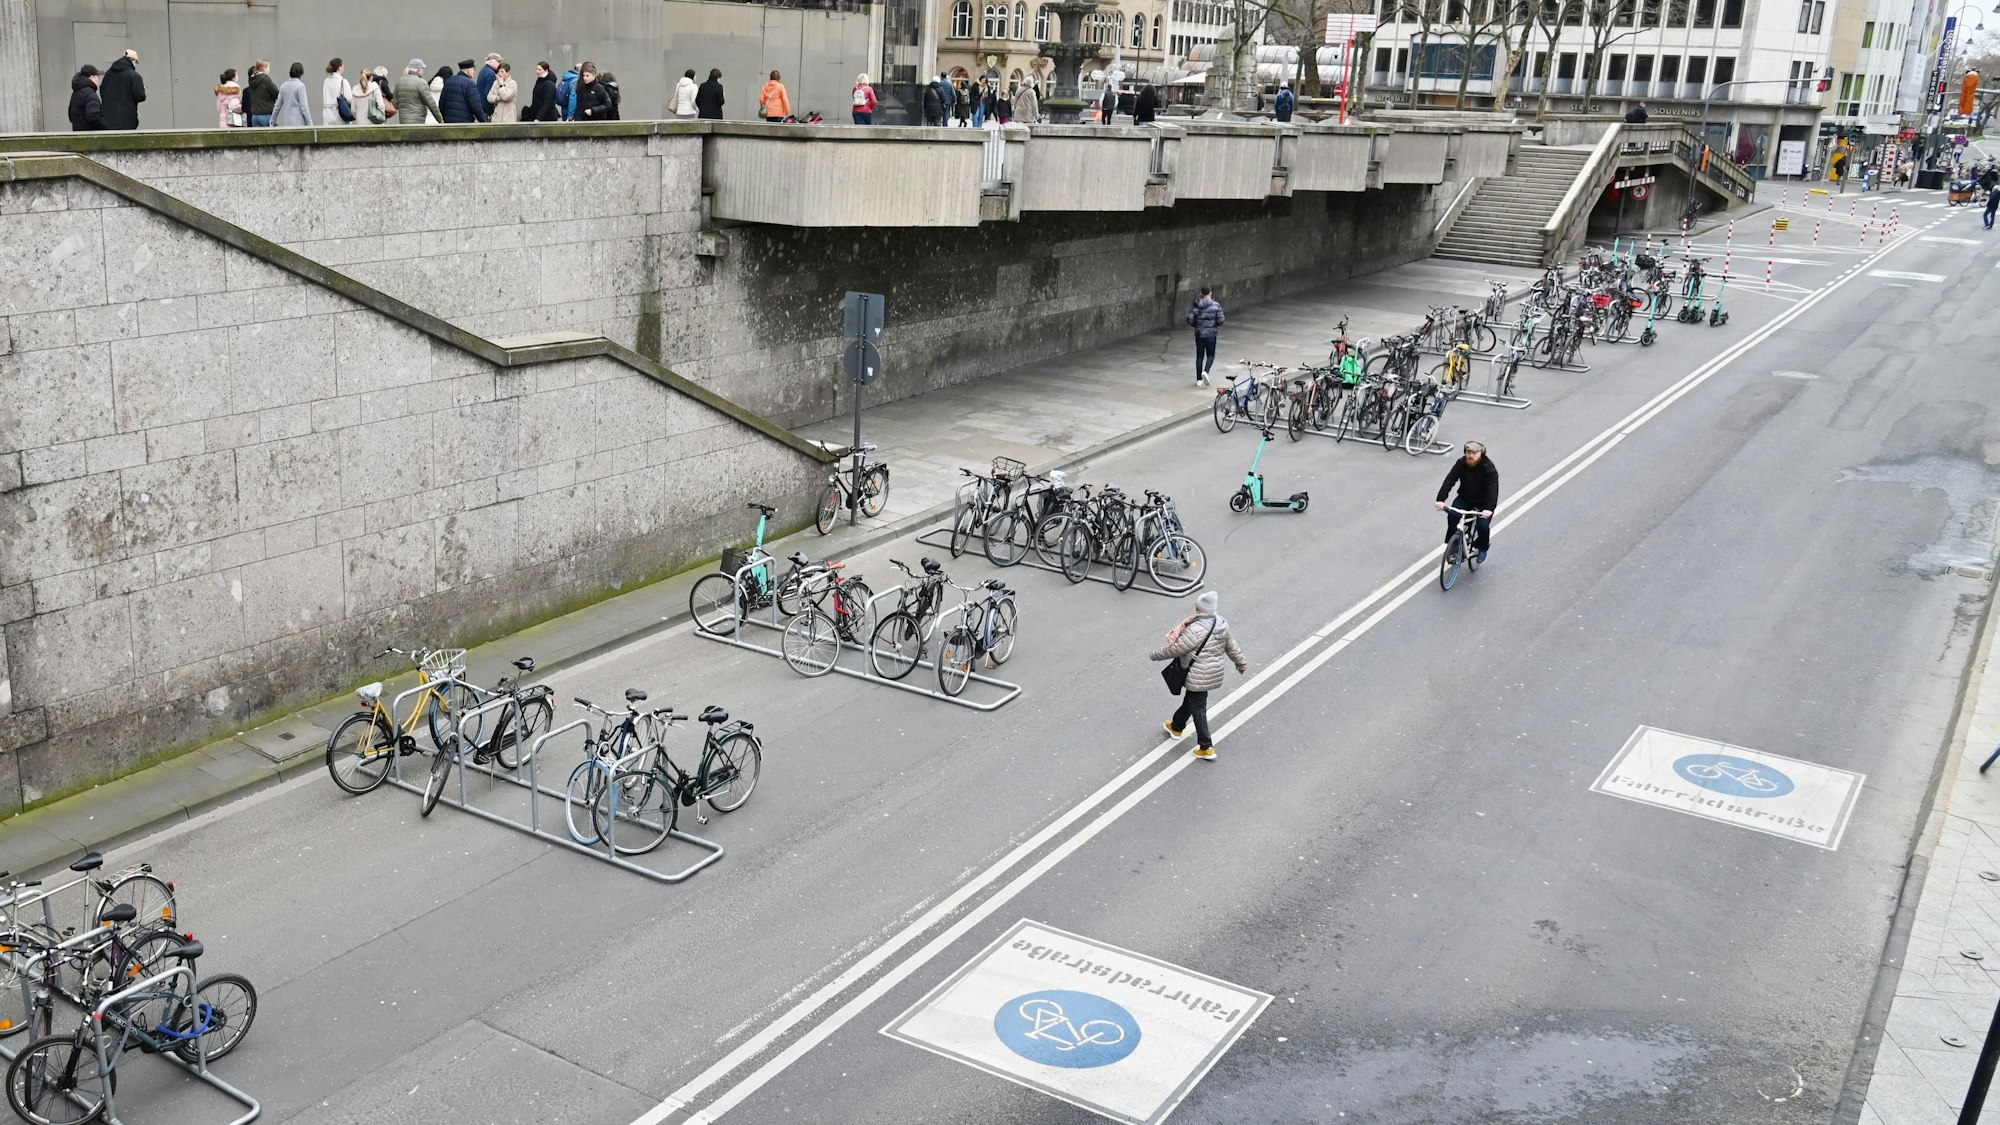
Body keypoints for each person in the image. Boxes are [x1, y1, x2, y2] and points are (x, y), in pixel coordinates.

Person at [1150, 591, 1247, 762]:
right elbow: (1231, 647)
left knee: (1198, 708)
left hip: (1197, 675)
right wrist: (1241, 663)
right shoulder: (1221, 623)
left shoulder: (1195, 629)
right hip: (1212, 673)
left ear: (1200, 609)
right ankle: (1177, 726)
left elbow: (1176, 649)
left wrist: (1156, 655)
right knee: (1193, 700)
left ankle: (1206, 746)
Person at [1434, 440, 1498, 563]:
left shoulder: (1488, 468)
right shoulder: (1461, 463)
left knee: (1482, 526)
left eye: (1474, 453)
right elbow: (1450, 480)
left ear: (1481, 454)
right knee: (1453, 516)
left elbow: (1493, 490)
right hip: (1465, 498)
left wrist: (1489, 509)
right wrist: (1440, 499)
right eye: (1468, 452)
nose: (1470, 455)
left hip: (1483, 503)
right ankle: (1453, 544)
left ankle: (1482, 548)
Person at [1186, 286, 1223, 385]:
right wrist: (1214, 325)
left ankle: (1198, 380)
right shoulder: (1216, 305)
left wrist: (1197, 325)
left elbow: (1189, 319)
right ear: (1210, 293)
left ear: (1202, 294)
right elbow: (1221, 320)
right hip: (1211, 334)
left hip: (1199, 334)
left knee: (1199, 356)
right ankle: (1206, 371)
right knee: (1210, 355)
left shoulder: (1197, 305)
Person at [99, 49, 145, 130]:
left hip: (108, 120)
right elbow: (140, 96)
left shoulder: (108, 74)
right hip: (127, 119)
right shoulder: (134, 76)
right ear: (133, 60)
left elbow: (102, 91)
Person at [394, 59, 441, 125]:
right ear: (418, 70)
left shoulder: (399, 81)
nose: (423, 71)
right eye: (422, 69)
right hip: (417, 120)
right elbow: (431, 103)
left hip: (403, 120)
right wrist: (440, 119)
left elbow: (395, 102)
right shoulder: (421, 82)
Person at [273, 61, 313, 126]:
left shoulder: (283, 86)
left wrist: (272, 120)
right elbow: (304, 107)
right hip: (299, 122)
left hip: (287, 121)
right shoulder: (301, 86)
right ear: (301, 72)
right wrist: (310, 123)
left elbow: (278, 105)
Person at [321, 58, 356, 126]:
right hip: (339, 114)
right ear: (339, 67)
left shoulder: (326, 81)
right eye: (343, 66)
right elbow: (350, 99)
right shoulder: (343, 81)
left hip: (327, 114)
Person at [244, 60, 279, 127]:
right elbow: (276, 93)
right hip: (266, 114)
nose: (269, 70)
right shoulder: (265, 79)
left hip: (254, 116)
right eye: (268, 67)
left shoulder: (252, 81)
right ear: (263, 68)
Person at [68, 65, 103, 131]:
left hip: (78, 133)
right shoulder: (90, 94)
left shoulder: (76, 92)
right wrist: (104, 127)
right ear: (91, 77)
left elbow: (71, 116)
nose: (98, 80)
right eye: (97, 77)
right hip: (90, 135)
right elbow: (93, 116)